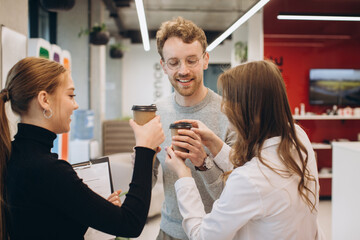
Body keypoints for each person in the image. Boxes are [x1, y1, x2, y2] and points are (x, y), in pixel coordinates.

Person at [0, 57, 165, 240]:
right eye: (71, 95)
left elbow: (44, 224)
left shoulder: (12, 155)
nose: (75, 105)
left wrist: (94, 210)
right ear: (44, 100)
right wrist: (145, 148)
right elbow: (130, 224)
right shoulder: (48, 170)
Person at [165, 60, 324, 240]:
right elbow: (258, 167)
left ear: (248, 108)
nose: (224, 108)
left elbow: (203, 235)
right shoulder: (297, 136)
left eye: (229, 101)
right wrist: (214, 142)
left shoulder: (250, 180)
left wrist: (183, 175)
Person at [154, 16, 236, 240]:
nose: (183, 70)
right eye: (174, 63)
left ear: (205, 60)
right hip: (169, 231)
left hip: (217, 233)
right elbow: (150, 178)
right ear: (163, 66)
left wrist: (203, 163)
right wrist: (141, 160)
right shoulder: (155, 113)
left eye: (192, 60)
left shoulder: (231, 114)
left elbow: (237, 194)